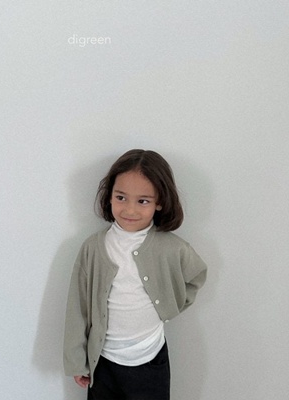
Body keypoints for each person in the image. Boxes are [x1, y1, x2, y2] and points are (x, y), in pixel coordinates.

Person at [63, 149, 207, 400]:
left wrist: (169, 306)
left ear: (159, 202)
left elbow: (196, 275)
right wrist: (76, 360)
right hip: (103, 362)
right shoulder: (93, 248)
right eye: (121, 197)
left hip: (150, 361)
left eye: (143, 201)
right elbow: (78, 306)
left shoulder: (172, 247)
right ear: (109, 196)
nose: (129, 210)